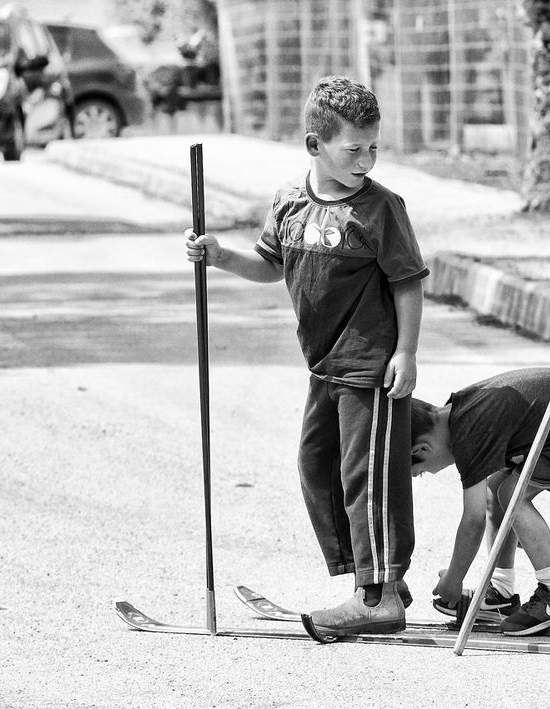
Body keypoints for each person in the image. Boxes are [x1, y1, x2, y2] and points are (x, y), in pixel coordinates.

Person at [185, 76, 427, 635]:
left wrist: (406, 352)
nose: (366, 160)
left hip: (370, 365)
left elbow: (408, 283)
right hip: (322, 364)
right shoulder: (289, 202)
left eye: (373, 147)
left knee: (368, 478)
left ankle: (377, 596)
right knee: (317, 467)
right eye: (354, 148)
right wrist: (219, 256)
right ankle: (377, 577)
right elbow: (271, 264)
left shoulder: (382, 208)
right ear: (315, 145)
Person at [410, 367, 550, 636]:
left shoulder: (468, 433)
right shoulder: (458, 414)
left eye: (421, 471)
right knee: (495, 488)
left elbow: (473, 519)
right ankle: (502, 592)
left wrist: (454, 578)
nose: (427, 473)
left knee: (512, 494)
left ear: (422, 449)